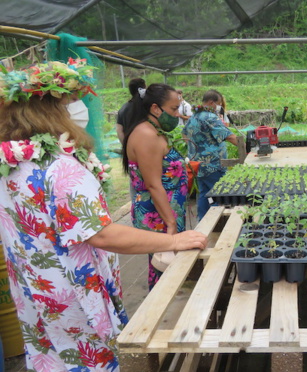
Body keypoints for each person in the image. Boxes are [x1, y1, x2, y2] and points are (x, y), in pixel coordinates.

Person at [0, 60, 207, 371]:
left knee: (52, 357)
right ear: (51, 110)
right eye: (70, 102)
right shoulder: (61, 167)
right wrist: (175, 239)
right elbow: (102, 233)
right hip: (72, 289)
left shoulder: (11, 163)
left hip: (34, 287)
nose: (79, 109)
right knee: (91, 358)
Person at [122, 83, 190, 290]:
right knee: (163, 266)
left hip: (166, 210)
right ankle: (160, 312)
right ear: (155, 108)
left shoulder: (154, 131)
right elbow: (152, 184)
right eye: (173, 109)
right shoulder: (146, 135)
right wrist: (170, 222)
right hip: (160, 214)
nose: (177, 114)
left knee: (168, 264)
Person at [184, 90, 238, 222]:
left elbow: (184, 135)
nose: (219, 107)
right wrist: (247, 148)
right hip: (212, 165)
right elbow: (229, 136)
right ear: (211, 103)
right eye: (218, 104)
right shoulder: (210, 117)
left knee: (204, 193)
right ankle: (216, 221)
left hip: (197, 165)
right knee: (218, 194)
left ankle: (202, 221)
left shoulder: (194, 117)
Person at [116, 78, 146, 144]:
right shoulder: (148, 106)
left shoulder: (123, 108)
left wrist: (125, 147)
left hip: (131, 146)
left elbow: (119, 130)